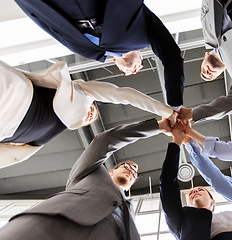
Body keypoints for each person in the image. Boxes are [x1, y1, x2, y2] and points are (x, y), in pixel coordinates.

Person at [0, 117, 172, 240]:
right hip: (48, 229)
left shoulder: (130, 210)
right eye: (126, 167)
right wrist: (158, 126)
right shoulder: (91, 173)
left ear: (131, 185)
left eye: (134, 174)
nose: (130, 172)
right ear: (111, 171)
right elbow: (104, 141)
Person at [0, 60, 177, 168]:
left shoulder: (40, 140)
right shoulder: (78, 94)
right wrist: (166, 112)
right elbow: (123, 95)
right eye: (92, 109)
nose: (90, 113)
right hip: (11, 90)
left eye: (91, 117)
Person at [15, 0, 184, 109]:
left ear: (115, 63)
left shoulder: (88, 51)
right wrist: (175, 105)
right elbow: (172, 57)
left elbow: (47, 24)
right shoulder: (144, 33)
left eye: (127, 73)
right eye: (139, 67)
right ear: (140, 53)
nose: (132, 70)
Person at [160, 124, 232, 240]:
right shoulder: (182, 222)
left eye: (201, 190)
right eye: (192, 192)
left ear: (213, 202)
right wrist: (176, 142)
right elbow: (167, 185)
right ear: (188, 205)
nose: (196, 190)